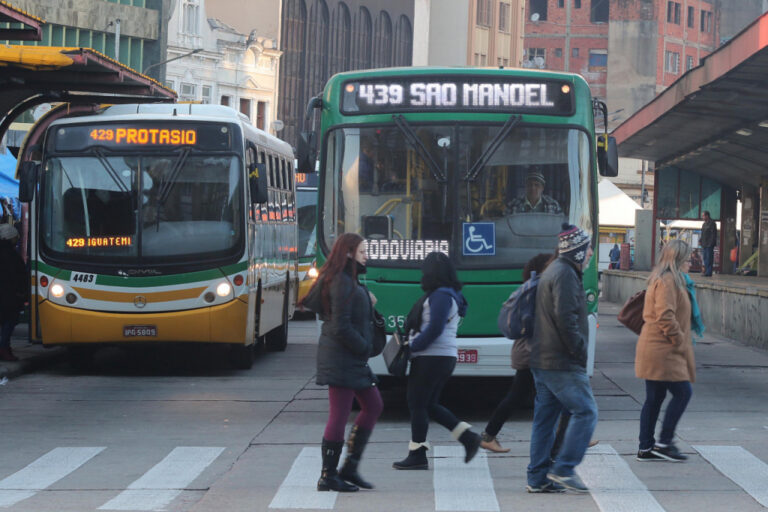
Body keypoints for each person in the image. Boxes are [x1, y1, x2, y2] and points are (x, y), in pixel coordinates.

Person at [309, 232, 384, 492]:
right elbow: (341, 326)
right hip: (341, 358)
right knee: (339, 414)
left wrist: (369, 303)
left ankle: (349, 468)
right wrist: (364, 347)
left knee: (373, 405)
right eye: (363, 251)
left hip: (350, 359)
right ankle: (328, 475)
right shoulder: (341, 282)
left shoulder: (350, 279)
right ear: (349, 253)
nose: (367, 256)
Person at [526, 223, 598, 494]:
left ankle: (537, 477)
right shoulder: (565, 274)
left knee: (544, 420)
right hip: (561, 361)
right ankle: (565, 468)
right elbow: (565, 320)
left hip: (543, 359)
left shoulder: (554, 269)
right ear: (578, 251)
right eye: (588, 248)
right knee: (586, 411)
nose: (591, 253)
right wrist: (579, 351)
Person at [393, 251, 481, 470]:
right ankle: (467, 438)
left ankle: (418, 454)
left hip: (432, 357)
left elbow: (434, 328)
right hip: (439, 357)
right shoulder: (446, 294)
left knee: (417, 403)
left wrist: (412, 347)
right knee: (428, 405)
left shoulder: (441, 296)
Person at [480, 252, 554, 453]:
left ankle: (489, 435)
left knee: (543, 395)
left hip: (529, 350)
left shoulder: (533, 287)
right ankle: (488, 435)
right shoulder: (539, 289)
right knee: (552, 393)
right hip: (530, 352)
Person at [635, 239, 698, 462]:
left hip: (657, 347)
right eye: (688, 259)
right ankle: (664, 442)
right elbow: (665, 316)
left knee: (654, 397)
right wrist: (680, 341)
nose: (691, 263)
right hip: (663, 349)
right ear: (678, 260)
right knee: (683, 393)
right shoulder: (669, 281)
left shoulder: (665, 279)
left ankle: (646, 447)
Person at [0, 224, 26, 362]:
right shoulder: (10, 255)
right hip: (9, 296)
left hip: (6, 295)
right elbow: (16, 276)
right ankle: (4, 348)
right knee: (9, 323)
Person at [700, 211, 717, 276]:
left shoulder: (712, 223)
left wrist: (711, 243)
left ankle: (708, 272)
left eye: (703, 216)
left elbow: (713, 234)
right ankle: (706, 271)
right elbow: (703, 233)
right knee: (705, 258)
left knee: (709, 258)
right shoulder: (704, 224)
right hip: (704, 244)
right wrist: (701, 240)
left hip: (709, 244)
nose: (702, 217)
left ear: (707, 216)